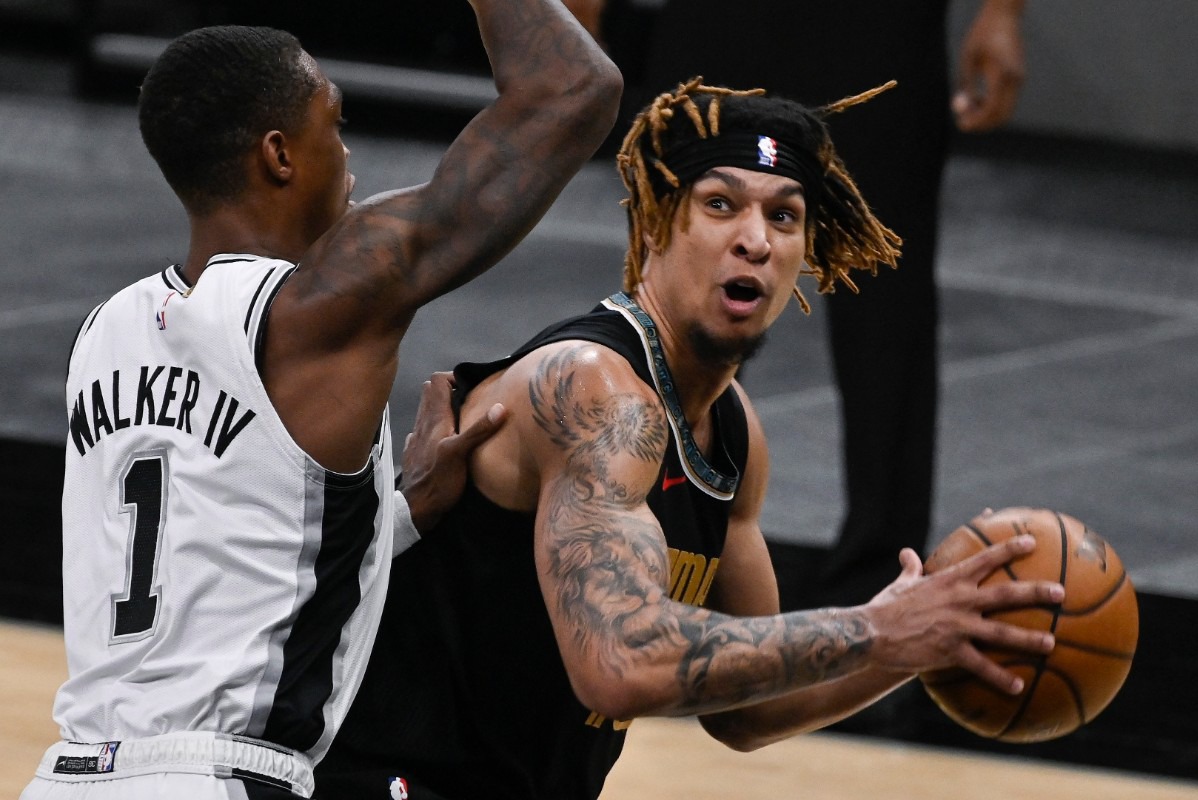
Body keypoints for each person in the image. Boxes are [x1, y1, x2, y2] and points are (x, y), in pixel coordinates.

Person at [315, 79, 1062, 800]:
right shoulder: (598, 393)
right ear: (653, 222)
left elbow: (749, 710)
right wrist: (874, 626)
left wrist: (914, 643)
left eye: (784, 216)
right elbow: (618, 664)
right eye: (720, 205)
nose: (755, 241)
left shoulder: (730, 429)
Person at [23, 8, 620, 800]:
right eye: (332, 125)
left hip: (68, 774)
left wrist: (393, 514)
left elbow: (200, 542)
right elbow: (574, 90)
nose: (346, 155)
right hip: (218, 779)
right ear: (278, 155)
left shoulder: (103, 334)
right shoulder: (316, 307)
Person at [618, 0, 1026, 606]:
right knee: (679, 267)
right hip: (718, 19)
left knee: (884, 293)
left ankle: (881, 583)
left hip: (874, 24)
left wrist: (1002, 11)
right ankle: (638, 540)